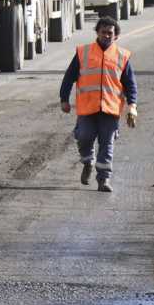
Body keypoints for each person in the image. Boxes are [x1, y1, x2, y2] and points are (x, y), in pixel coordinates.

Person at [59, 13, 138, 193]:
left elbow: (130, 84)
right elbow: (69, 77)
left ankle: (104, 179)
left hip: (110, 109)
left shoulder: (122, 56)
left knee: (107, 143)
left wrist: (132, 106)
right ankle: (88, 162)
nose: (107, 36)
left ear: (116, 35)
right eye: (104, 32)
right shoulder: (83, 53)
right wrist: (64, 99)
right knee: (84, 136)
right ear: (97, 32)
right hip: (87, 108)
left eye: (110, 33)